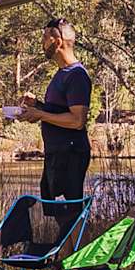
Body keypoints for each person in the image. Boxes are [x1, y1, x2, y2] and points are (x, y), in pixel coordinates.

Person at [12, 17, 92, 227]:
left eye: (45, 37)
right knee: (58, 213)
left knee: (70, 215)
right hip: (57, 154)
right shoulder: (61, 74)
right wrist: (37, 105)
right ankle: (64, 257)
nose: (42, 42)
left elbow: (77, 121)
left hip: (71, 154)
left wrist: (40, 114)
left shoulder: (76, 75)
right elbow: (60, 112)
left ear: (58, 41)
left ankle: (74, 258)